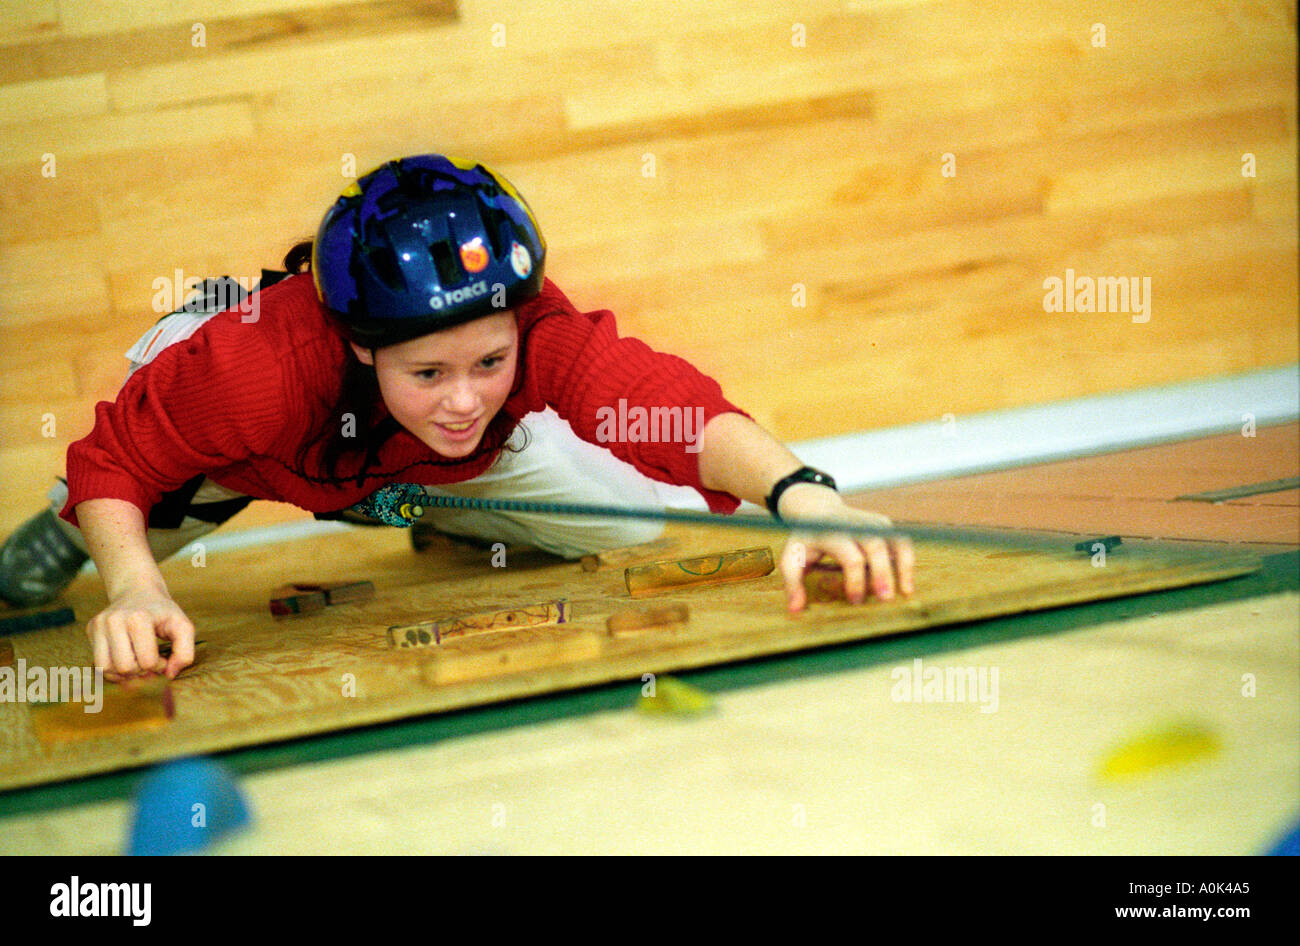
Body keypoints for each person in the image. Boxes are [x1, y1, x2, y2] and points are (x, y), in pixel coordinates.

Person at [0, 154, 914, 683]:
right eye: (427, 370)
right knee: (119, 503)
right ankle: (75, 530)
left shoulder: (537, 337)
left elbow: (672, 412)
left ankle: (422, 509)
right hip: (259, 453)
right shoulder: (253, 374)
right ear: (362, 347)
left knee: (634, 520)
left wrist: (806, 497)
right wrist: (132, 588)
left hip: (407, 467)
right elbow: (114, 456)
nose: (467, 397)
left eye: (490, 361)